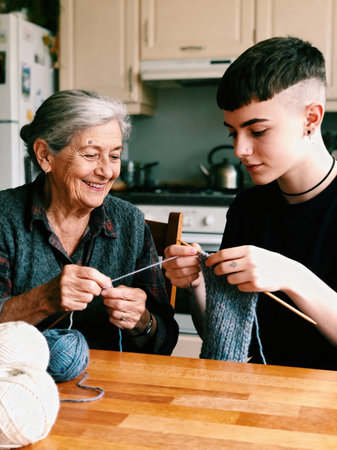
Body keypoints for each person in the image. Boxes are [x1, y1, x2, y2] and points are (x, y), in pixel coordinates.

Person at [164, 36, 337, 370]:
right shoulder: (247, 207)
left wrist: (292, 276)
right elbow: (224, 336)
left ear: (311, 120)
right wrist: (199, 285)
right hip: (256, 397)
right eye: (232, 132)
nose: (239, 149)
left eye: (257, 131)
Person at [0, 89, 178, 354]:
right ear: (45, 156)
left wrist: (141, 321)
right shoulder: (4, 218)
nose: (107, 171)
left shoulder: (130, 222)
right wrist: (44, 300)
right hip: (19, 383)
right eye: (91, 155)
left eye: (115, 155)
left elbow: (165, 341)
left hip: (108, 387)